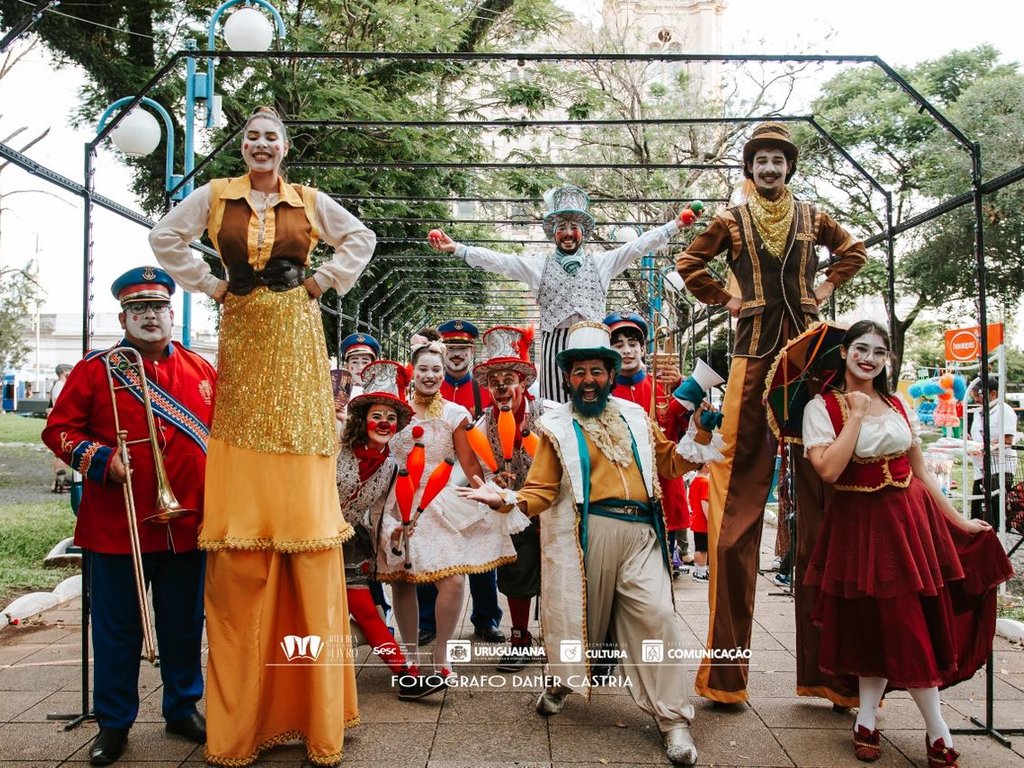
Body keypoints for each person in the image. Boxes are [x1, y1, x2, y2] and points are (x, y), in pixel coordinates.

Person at [149, 105, 375, 766]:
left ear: (285, 147)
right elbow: (165, 237)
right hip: (243, 332)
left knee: (299, 429)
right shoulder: (215, 196)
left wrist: (322, 281)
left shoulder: (308, 200)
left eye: (271, 136)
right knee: (244, 423)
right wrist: (211, 285)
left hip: (299, 333)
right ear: (243, 145)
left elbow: (359, 238)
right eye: (251, 136)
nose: (261, 144)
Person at [461, 321, 721, 766]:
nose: (588, 380)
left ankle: (673, 718)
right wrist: (505, 499)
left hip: (641, 536)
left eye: (596, 371)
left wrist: (700, 433)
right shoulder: (555, 425)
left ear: (611, 374)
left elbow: (670, 464)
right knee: (581, 622)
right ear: (567, 377)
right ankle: (563, 681)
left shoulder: (636, 417)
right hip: (585, 536)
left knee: (657, 617)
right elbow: (541, 490)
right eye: (579, 371)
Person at [675, 121, 867, 706]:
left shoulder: (812, 216)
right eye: (761, 160)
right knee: (735, 509)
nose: (770, 168)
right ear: (749, 167)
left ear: (789, 167)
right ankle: (726, 678)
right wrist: (728, 299)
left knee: (824, 504)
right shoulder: (731, 219)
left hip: (809, 362)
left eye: (778, 160)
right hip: (752, 361)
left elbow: (853, 251)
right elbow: (689, 263)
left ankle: (831, 675)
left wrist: (824, 288)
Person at [801, 320, 1013, 767]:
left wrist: (958, 520)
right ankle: (937, 732)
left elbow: (920, 471)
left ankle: (869, 722)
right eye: (861, 349)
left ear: (888, 359)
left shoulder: (897, 402)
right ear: (844, 352)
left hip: (911, 522)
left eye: (879, 352)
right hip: (861, 527)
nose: (869, 359)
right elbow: (829, 471)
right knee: (885, 622)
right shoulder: (822, 407)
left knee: (898, 621)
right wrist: (856, 415)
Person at [42, 267, 214, 766]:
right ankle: (114, 722)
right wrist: (101, 459)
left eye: (157, 307)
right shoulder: (95, 369)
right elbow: (59, 430)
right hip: (117, 527)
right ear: (123, 318)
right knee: (117, 630)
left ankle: (182, 708)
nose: (150, 316)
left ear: (171, 313)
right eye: (138, 309)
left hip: (186, 525)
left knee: (184, 624)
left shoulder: (201, 369)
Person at [428, 184, 692, 402]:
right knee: (554, 407)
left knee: (595, 402)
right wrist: (458, 248)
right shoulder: (538, 265)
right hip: (554, 341)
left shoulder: (602, 262)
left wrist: (675, 225)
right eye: (561, 228)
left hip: (593, 340)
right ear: (553, 234)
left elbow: (638, 246)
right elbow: (500, 261)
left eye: (573, 227)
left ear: (583, 233)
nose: (567, 233)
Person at [374, 339, 527, 700]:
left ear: (444, 374)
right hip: (397, 501)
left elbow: (469, 462)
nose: (430, 375)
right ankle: (410, 657)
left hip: (440, 502)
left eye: (436, 369)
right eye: (424, 369)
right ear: (413, 372)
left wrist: (489, 489)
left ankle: (442, 653)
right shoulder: (396, 410)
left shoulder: (455, 413)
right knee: (402, 581)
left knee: (454, 580)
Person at [416, 318, 504, 645]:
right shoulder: (426, 388)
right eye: (451, 347)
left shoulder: (484, 389)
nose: (457, 353)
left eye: (463, 347)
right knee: (431, 551)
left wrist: (488, 483)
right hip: (433, 485)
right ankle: (428, 621)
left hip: (471, 480)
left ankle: (486, 618)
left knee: (480, 552)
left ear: (472, 351)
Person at [470, 324, 545, 670]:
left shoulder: (548, 413)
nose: (501, 387)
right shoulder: (481, 424)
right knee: (515, 573)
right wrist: (494, 482)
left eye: (508, 379)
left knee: (561, 574)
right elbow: (479, 468)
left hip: (552, 505)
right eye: (494, 381)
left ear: (523, 383)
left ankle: (561, 639)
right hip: (513, 509)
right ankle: (520, 638)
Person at [337, 360, 415, 685]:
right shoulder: (336, 446)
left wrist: (395, 533)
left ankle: (405, 674)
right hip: (313, 536)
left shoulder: (391, 467)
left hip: (351, 543)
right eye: (377, 415)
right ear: (363, 419)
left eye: (391, 418)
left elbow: (382, 514)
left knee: (366, 610)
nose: (384, 423)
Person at [604, 311, 691, 574]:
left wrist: (683, 387)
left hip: (665, 491)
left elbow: (691, 434)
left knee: (661, 573)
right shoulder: (603, 395)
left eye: (633, 344)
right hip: (622, 494)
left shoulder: (667, 387)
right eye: (618, 345)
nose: (626, 351)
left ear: (643, 349)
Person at [967, 375, 1019, 527]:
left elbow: (1007, 440)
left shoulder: (1004, 410)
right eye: (973, 395)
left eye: (978, 395)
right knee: (977, 512)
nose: (976, 399)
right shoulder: (978, 412)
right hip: (981, 470)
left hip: (1000, 468)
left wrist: (984, 446)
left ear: (993, 394)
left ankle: (994, 538)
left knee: (992, 513)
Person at [47, 363, 74, 493]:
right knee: (61, 452)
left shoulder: (59, 385)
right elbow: (59, 401)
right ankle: (58, 483)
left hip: (61, 420)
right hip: (62, 421)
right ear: (64, 372)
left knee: (61, 452)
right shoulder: (60, 385)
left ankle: (58, 483)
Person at [687, 464, 711, 582]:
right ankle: (701, 572)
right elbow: (705, 502)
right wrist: (710, 520)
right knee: (703, 549)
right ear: (706, 464)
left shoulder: (694, 481)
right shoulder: (706, 482)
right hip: (703, 522)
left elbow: (690, 499)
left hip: (696, 518)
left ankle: (698, 570)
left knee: (698, 547)